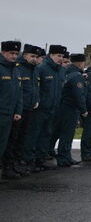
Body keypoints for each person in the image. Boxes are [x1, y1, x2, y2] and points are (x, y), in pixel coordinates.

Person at [25, 44, 66, 170]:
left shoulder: (61, 70)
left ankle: (40, 159)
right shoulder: (41, 68)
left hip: (53, 108)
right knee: (34, 135)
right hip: (40, 109)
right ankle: (29, 161)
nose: (61, 58)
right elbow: (36, 88)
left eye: (62, 56)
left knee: (46, 135)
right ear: (51, 55)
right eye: (58, 56)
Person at [2, 44, 41, 178]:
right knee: (9, 141)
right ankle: (7, 166)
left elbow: (25, 91)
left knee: (19, 140)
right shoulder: (13, 68)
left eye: (36, 56)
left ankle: (14, 165)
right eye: (32, 56)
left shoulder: (23, 70)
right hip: (8, 112)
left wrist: (34, 101)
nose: (34, 59)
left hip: (24, 110)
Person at [54, 53, 88, 167]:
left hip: (62, 107)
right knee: (67, 134)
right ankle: (64, 158)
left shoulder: (65, 71)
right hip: (70, 108)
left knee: (62, 133)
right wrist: (83, 109)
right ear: (80, 63)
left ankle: (64, 156)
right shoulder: (76, 75)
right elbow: (79, 95)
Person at [0, 41, 22, 179]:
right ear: (3, 52)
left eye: (16, 53)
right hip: (1, 113)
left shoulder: (15, 69)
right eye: (11, 53)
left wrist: (18, 111)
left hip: (10, 114)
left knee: (4, 144)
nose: (14, 56)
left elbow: (19, 93)